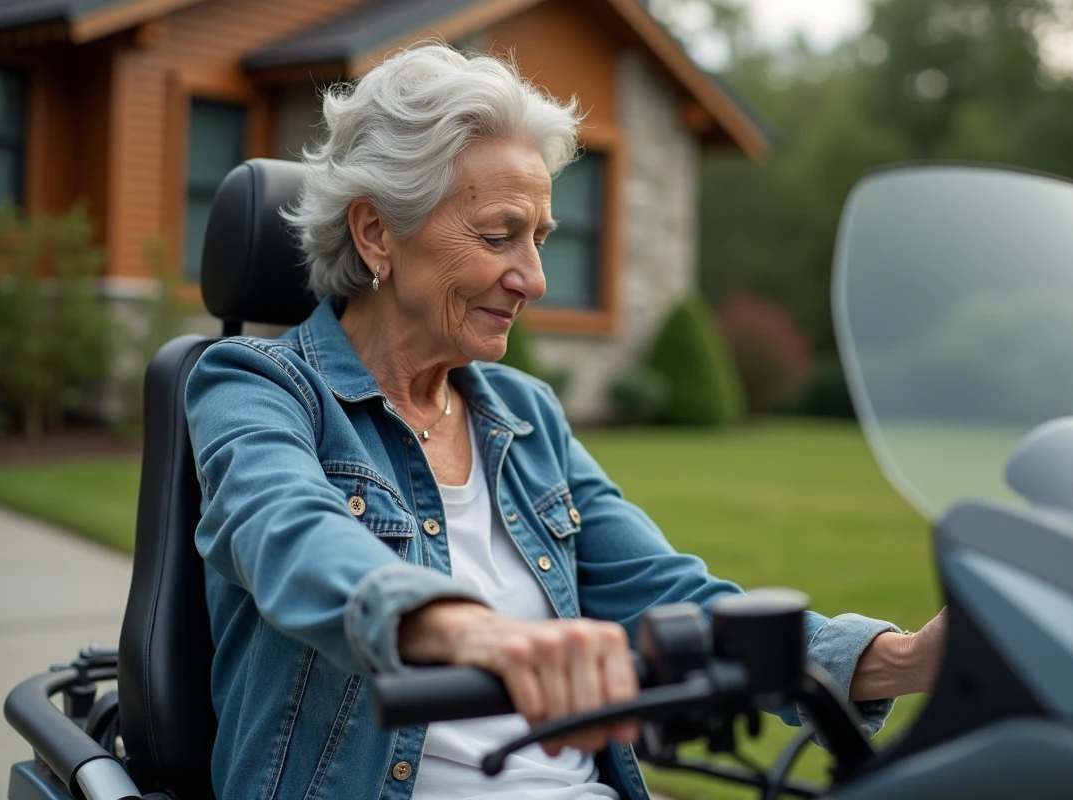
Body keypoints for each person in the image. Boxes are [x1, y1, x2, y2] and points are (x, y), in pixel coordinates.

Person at [185, 43, 946, 800]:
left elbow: (665, 595)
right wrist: (474, 632)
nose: (535, 278)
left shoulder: (525, 416)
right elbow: (288, 533)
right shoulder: (256, 386)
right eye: (497, 235)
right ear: (376, 232)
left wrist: (908, 658)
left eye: (540, 238)